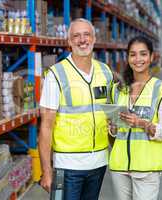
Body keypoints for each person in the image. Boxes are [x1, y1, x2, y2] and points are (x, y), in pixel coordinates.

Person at [38, 18, 113, 200]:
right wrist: (46, 171)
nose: (82, 40)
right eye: (76, 36)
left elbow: (111, 117)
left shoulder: (105, 72)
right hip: (66, 166)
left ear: (94, 39)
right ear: (69, 42)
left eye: (87, 35)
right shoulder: (56, 74)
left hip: (98, 164)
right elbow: (46, 127)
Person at [108, 35, 162, 200]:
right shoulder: (118, 89)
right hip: (120, 166)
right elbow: (115, 134)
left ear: (152, 57)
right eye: (133, 54)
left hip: (147, 169)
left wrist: (142, 123)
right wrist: (113, 127)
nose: (138, 59)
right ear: (128, 58)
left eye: (143, 54)